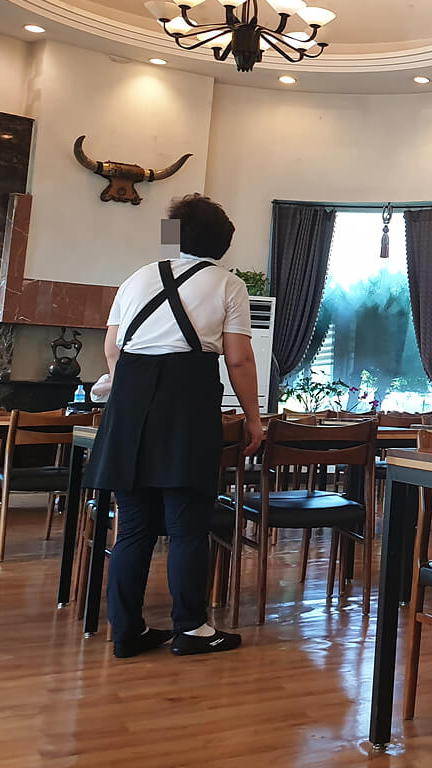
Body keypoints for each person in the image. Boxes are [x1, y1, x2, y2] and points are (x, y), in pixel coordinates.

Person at [84, 194, 264, 659]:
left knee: (134, 528)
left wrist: (135, 391)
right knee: (187, 524)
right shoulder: (228, 285)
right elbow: (239, 359)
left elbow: (112, 350)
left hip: (129, 404)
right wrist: (253, 418)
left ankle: (127, 632)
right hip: (187, 403)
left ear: (174, 237)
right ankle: (191, 629)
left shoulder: (136, 278)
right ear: (223, 243)